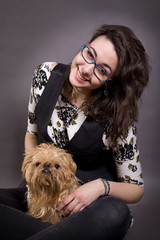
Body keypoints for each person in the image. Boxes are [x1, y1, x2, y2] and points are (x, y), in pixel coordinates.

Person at [0, 24, 150, 240]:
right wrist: (32, 178)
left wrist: (99, 187)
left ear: (112, 81)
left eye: (102, 70)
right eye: (90, 54)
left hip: (85, 212)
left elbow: (135, 189)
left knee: (116, 213)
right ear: (85, 46)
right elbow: (31, 134)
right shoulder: (45, 75)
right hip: (39, 197)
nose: (87, 69)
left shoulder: (119, 116)